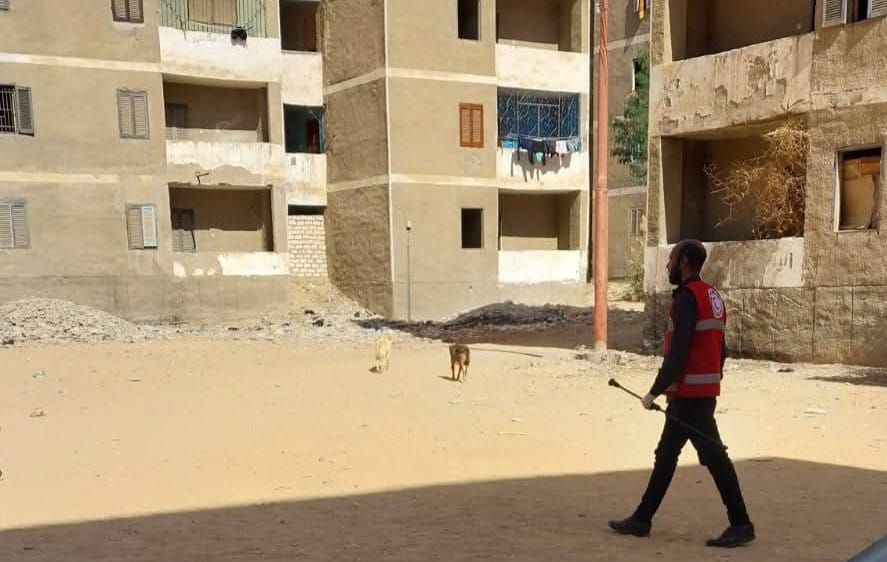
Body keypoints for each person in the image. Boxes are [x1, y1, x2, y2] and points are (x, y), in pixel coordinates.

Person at [608, 239, 755, 548]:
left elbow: (678, 352)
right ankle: (642, 519)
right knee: (667, 456)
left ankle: (741, 523)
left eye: (672, 259)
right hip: (699, 393)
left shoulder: (687, 298)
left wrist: (654, 391)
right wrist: (712, 379)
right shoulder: (712, 296)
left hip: (690, 395)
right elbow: (721, 348)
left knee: (714, 458)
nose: (668, 265)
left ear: (685, 261)